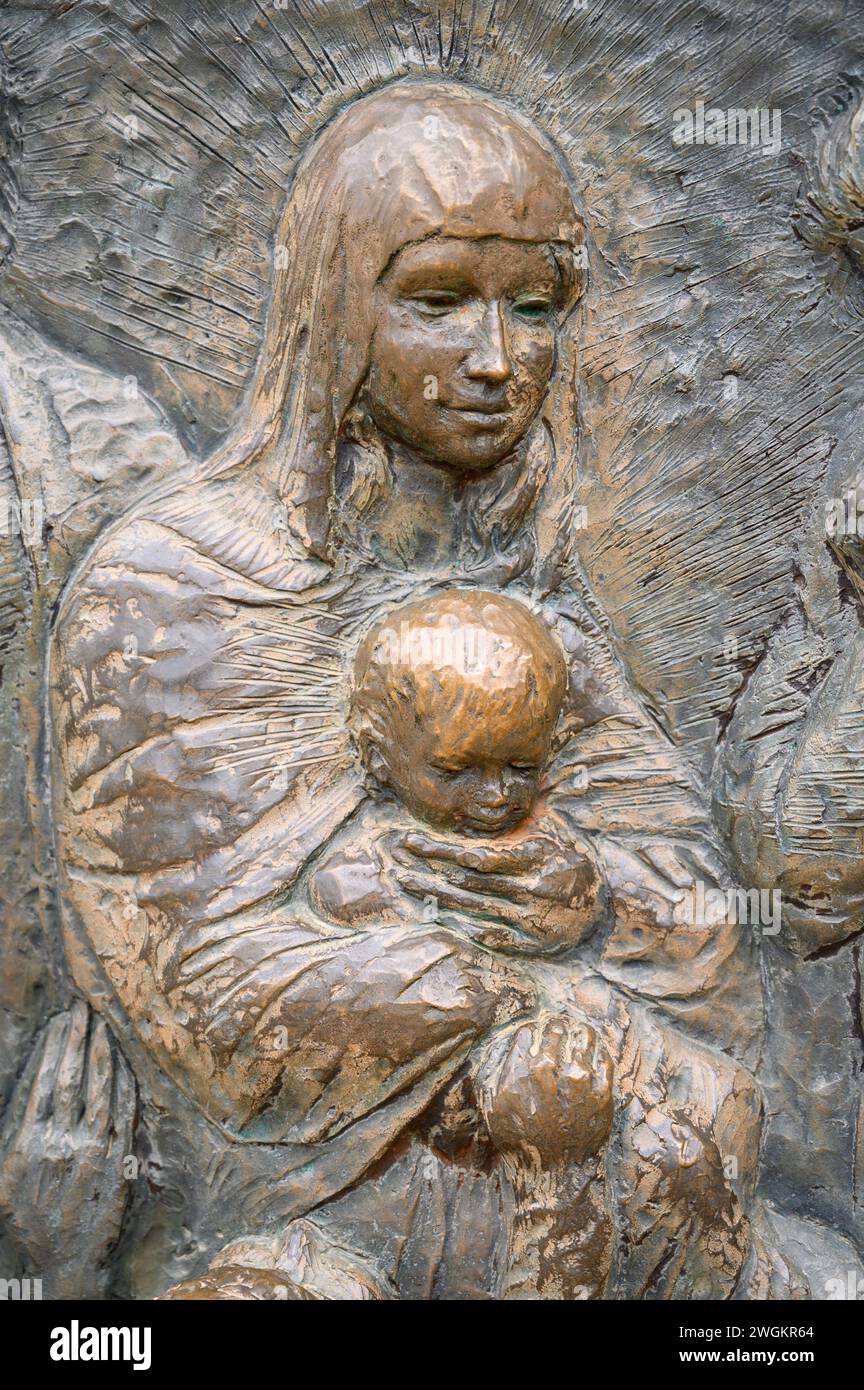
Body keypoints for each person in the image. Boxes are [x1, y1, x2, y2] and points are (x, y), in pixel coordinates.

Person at [50, 79, 784, 1298]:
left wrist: (587, 891)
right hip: (329, 1232)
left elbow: (712, 951)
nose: (497, 361)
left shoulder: (543, 599)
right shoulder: (174, 595)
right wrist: (488, 977)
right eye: (437, 300)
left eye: (538, 308)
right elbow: (204, 1006)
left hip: (640, 1212)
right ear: (337, 303)